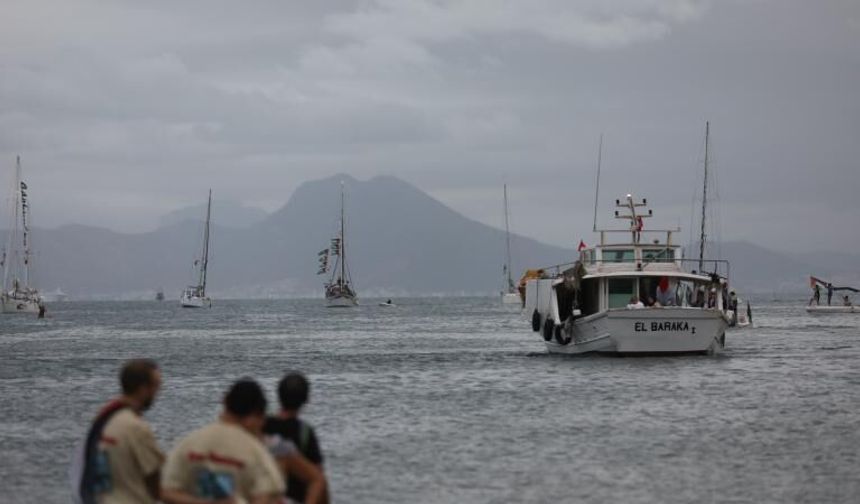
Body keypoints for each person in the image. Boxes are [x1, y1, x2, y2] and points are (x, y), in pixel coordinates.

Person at [161, 379, 286, 504]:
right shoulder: (257, 454)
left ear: (225, 402)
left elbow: (165, 492)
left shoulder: (188, 443)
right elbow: (270, 498)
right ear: (255, 416)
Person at [75, 359, 164, 504]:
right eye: (156, 386)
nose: (158, 392)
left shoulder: (103, 419)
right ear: (143, 389)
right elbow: (157, 484)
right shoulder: (136, 427)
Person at [264, 373, 328, 504]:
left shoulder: (262, 426)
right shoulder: (305, 432)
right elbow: (319, 479)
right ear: (306, 399)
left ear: (279, 395)